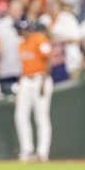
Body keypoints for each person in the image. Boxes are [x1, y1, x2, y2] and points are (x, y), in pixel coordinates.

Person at [14, 19, 53, 162]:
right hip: (26, 80)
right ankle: (27, 150)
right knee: (20, 115)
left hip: (39, 79)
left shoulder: (39, 38)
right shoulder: (21, 44)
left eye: (26, 29)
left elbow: (48, 59)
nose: (24, 32)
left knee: (41, 117)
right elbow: (24, 66)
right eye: (21, 30)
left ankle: (42, 153)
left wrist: (44, 81)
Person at [0, 0, 23, 94]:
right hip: (4, 70)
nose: (17, 12)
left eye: (19, 9)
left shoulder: (25, 26)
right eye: (15, 9)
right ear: (9, 10)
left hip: (21, 71)